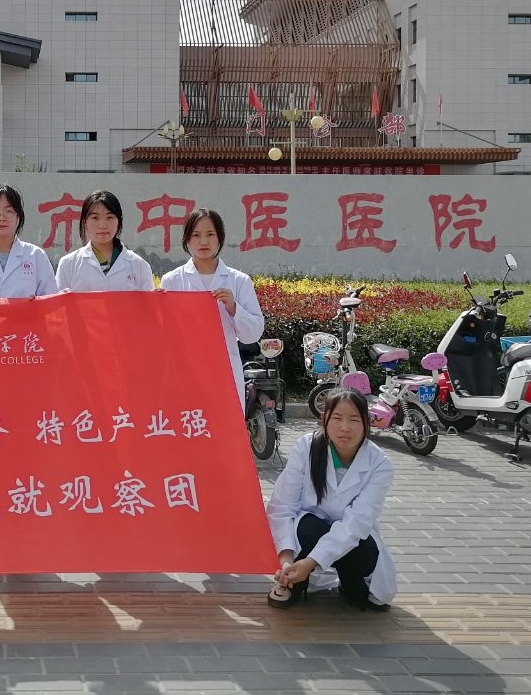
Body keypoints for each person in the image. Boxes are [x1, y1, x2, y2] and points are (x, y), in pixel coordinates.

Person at [265, 387, 396, 611]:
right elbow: (282, 506)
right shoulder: (306, 448)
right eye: (337, 418)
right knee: (309, 528)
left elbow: (357, 523)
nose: (345, 427)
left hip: (351, 541)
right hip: (308, 536)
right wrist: (286, 560)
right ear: (324, 419)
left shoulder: (379, 464)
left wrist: (311, 563)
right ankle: (294, 581)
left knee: (364, 553)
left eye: (354, 419)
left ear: (366, 422)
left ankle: (349, 580)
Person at [158, 208, 264, 398]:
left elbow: (253, 334)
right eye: (196, 235)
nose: (203, 241)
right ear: (187, 240)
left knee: (224, 417)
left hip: (224, 374)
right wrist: (155, 308)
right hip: (184, 373)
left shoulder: (239, 281)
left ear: (220, 238)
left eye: (210, 234)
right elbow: (161, 335)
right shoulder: (172, 281)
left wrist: (234, 308)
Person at [55, 190, 154, 292]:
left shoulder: (139, 265)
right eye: (95, 218)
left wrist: (160, 298)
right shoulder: (68, 264)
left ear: (119, 221)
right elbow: (56, 301)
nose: (102, 225)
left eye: (109, 217)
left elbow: (148, 302)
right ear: (85, 222)